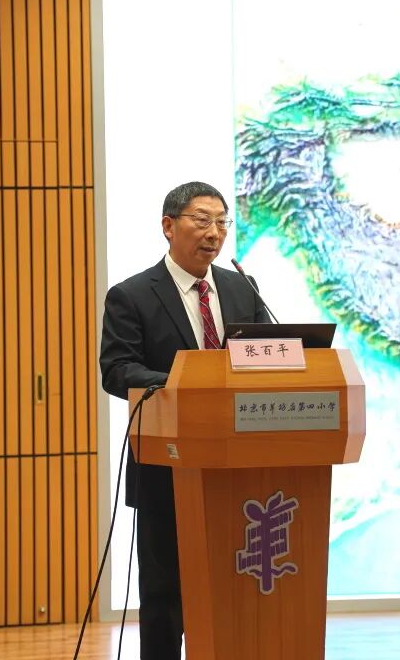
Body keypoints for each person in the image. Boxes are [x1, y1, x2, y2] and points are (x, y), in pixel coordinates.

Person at [99, 181, 273, 659]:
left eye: (221, 222)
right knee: (165, 597)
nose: (214, 232)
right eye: (202, 220)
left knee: (236, 588)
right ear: (168, 226)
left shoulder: (241, 288)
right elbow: (117, 371)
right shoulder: (132, 295)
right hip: (166, 467)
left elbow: (266, 359)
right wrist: (188, 380)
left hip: (240, 469)